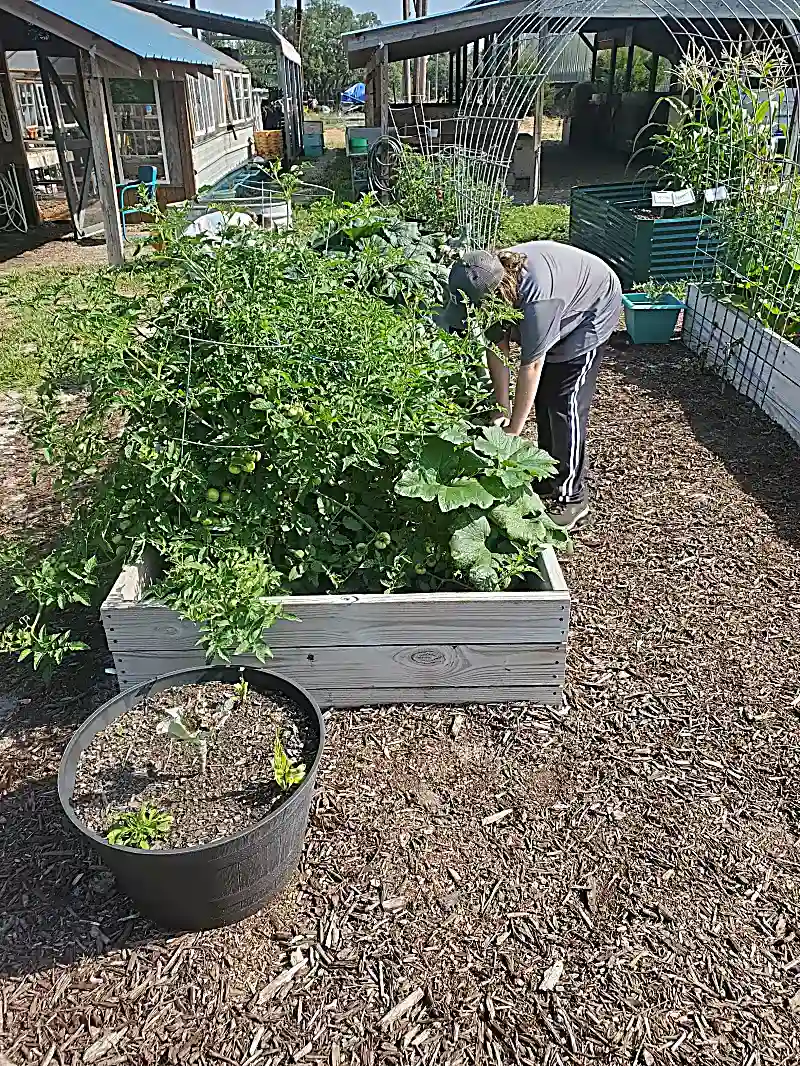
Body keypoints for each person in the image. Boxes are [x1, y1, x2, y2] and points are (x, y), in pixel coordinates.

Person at [436, 242, 622, 530]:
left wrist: (513, 431)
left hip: (592, 306)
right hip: (563, 291)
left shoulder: (538, 301)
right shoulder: (487, 276)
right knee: (544, 397)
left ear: (496, 297)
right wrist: (502, 407)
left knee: (563, 400)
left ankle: (573, 497)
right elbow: (497, 347)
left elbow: (531, 366)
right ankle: (549, 474)